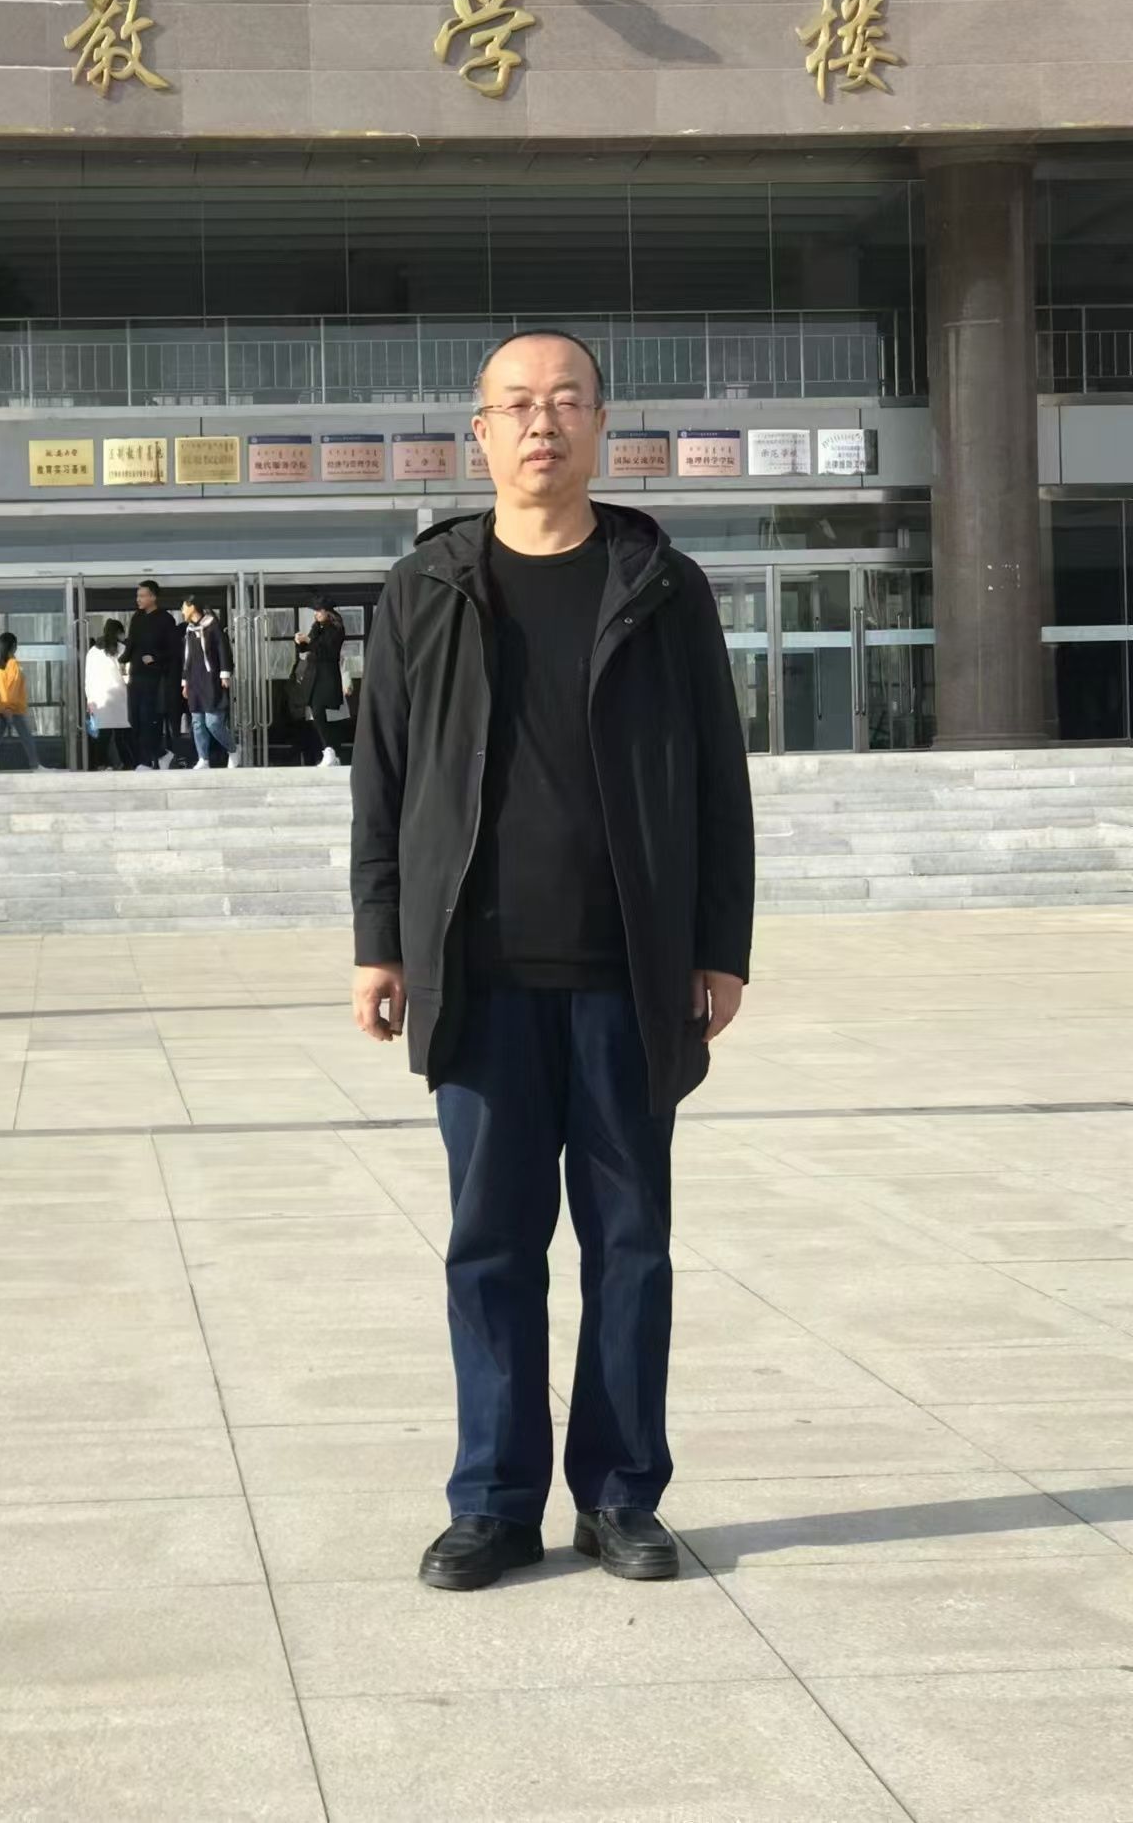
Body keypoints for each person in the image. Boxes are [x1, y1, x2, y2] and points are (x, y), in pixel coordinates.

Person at [351, 330, 755, 1593]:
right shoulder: (425, 588)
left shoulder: (662, 585)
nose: (542, 422)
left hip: (628, 975)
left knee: (629, 1243)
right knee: (490, 1246)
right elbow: (381, 779)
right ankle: (491, 1500)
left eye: (565, 400)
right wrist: (378, 941)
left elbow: (718, 779)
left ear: (599, 424)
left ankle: (621, 1493)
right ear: (477, 433)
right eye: (516, 404)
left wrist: (718, 946)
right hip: (478, 979)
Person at [181, 595, 241, 771]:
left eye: (184, 607)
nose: (182, 611)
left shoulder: (213, 625)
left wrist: (225, 674)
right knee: (197, 722)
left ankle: (233, 749)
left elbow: (223, 650)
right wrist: (185, 682)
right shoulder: (189, 629)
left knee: (213, 723)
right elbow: (186, 657)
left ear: (192, 607)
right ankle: (203, 759)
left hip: (212, 680)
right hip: (194, 681)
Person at [125, 580, 180, 772]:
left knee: (149, 720)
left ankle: (147, 761)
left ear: (153, 597)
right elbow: (132, 642)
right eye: (137, 596)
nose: (138, 599)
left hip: (154, 678)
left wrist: (155, 658)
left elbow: (174, 650)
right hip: (136, 676)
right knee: (134, 720)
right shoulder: (137, 617)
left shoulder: (165, 619)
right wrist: (123, 658)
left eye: (142, 596)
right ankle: (161, 754)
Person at [294, 599, 346, 767]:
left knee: (319, 710)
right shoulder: (316, 627)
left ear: (327, 612)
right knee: (317, 712)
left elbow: (327, 649)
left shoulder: (336, 629)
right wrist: (300, 642)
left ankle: (330, 751)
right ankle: (330, 751)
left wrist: (309, 641)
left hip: (327, 676)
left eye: (318, 611)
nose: (316, 614)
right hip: (313, 677)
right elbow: (307, 648)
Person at [0, 631, 40, 774]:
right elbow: (12, 687)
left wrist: (2, 706)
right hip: (13, 708)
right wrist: (9, 707)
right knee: (26, 737)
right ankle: (35, 765)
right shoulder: (12, 663)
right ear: (13, 646)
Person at [85, 619, 134, 771]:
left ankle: (101, 764)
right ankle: (128, 763)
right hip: (120, 697)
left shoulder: (93, 651)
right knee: (122, 735)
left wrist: (90, 699)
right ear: (119, 633)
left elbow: (89, 677)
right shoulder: (123, 649)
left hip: (100, 698)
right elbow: (128, 675)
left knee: (103, 735)